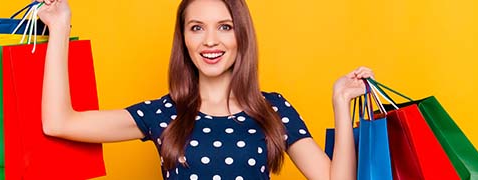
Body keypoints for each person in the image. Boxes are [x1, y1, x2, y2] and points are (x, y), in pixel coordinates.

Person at [36, 0, 373, 179]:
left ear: (241, 35)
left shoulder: (271, 109)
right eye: (197, 28)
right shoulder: (161, 114)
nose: (210, 40)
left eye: (224, 27)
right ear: (184, 39)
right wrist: (61, 27)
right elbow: (58, 122)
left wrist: (340, 103)